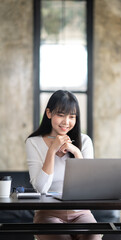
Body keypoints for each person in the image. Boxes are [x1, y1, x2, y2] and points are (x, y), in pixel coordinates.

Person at [26, 90, 102, 240]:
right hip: (48, 213)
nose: (66, 122)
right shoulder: (33, 142)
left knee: (93, 236)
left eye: (72, 117)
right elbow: (41, 188)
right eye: (61, 115)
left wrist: (76, 153)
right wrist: (52, 149)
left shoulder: (85, 141)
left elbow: (88, 185)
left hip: (81, 213)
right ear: (49, 113)